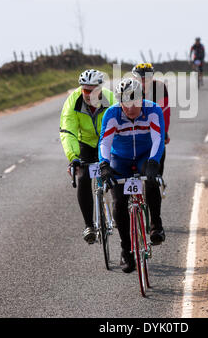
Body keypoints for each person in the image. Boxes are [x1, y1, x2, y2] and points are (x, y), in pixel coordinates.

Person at [98, 78, 165, 273]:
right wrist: (104, 165)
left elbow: (158, 138)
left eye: (133, 103)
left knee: (151, 182)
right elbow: (105, 142)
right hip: (121, 158)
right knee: (119, 202)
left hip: (145, 155)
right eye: (124, 104)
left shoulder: (153, 110)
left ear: (142, 98)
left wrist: (154, 162)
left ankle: (156, 225)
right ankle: (126, 250)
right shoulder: (112, 113)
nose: (129, 109)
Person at [60, 69, 115, 244]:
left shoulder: (111, 99)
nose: (89, 94)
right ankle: (89, 225)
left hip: (108, 141)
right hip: (85, 144)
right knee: (83, 176)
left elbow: (120, 126)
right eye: (85, 90)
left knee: (117, 174)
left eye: (93, 90)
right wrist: (73, 157)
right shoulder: (72, 102)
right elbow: (68, 132)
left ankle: (121, 210)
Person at [132, 62, 170, 176]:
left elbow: (165, 112)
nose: (143, 83)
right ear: (134, 78)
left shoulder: (159, 87)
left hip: (153, 128)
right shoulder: (129, 87)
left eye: (146, 79)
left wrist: (164, 132)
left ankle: (158, 177)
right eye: (140, 79)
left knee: (160, 147)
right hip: (132, 130)